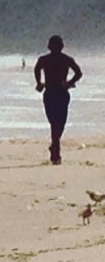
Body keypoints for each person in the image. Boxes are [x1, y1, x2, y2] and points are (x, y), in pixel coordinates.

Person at [34, 35, 83, 165]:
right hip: (57, 92)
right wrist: (39, 82)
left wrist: (39, 83)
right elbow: (78, 73)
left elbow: (78, 73)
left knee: (57, 123)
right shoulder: (60, 59)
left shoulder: (49, 60)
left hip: (55, 93)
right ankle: (56, 150)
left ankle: (55, 147)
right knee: (56, 122)